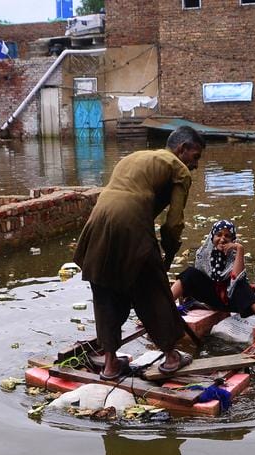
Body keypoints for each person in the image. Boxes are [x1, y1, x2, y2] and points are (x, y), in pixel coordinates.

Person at [73, 126, 205, 380]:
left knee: (106, 290)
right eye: (195, 156)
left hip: (97, 221)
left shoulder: (135, 157)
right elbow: (173, 222)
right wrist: (169, 250)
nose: (195, 165)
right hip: (130, 224)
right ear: (182, 149)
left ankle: (110, 365)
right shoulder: (179, 168)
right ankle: (171, 356)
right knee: (152, 291)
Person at [172, 220, 255, 337]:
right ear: (212, 236)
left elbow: (235, 277)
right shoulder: (203, 253)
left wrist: (239, 249)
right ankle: (165, 304)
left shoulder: (234, 254)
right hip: (210, 299)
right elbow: (196, 281)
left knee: (240, 283)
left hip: (232, 301)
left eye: (227, 236)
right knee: (190, 272)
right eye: (219, 235)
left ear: (232, 239)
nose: (222, 239)